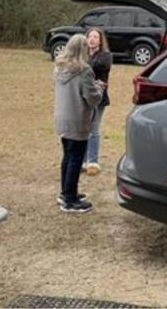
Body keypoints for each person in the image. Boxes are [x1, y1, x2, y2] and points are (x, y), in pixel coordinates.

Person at [53, 33, 103, 214]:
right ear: (82, 50)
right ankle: (70, 200)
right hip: (77, 119)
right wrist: (98, 88)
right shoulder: (84, 71)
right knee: (75, 159)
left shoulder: (59, 67)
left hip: (62, 118)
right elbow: (93, 99)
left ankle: (66, 192)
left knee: (68, 156)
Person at [83, 27, 113, 176]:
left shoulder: (105, 56)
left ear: (100, 41)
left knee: (93, 128)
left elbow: (92, 69)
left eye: (95, 37)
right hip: (83, 97)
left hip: (98, 98)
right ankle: (83, 161)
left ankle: (93, 161)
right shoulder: (83, 55)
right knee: (83, 128)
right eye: (90, 36)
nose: (92, 39)